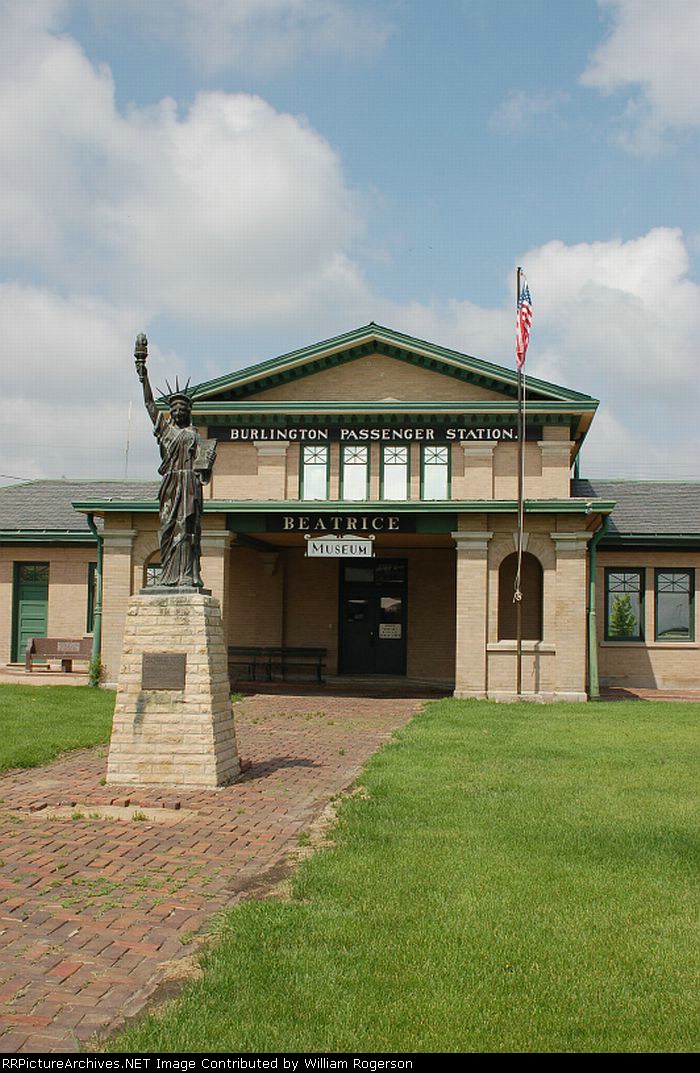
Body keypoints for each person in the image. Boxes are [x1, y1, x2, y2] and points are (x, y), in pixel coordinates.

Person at [134, 333, 216, 589]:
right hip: (170, 485)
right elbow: (149, 404)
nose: (179, 411)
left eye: (183, 409)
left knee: (189, 528)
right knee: (169, 527)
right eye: (175, 409)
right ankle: (168, 576)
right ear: (171, 412)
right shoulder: (166, 431)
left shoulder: (195, 436)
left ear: (188, 412)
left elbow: (203, 467)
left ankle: (189, 575)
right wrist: (143, 375)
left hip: (190, 486)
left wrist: (206, 465)